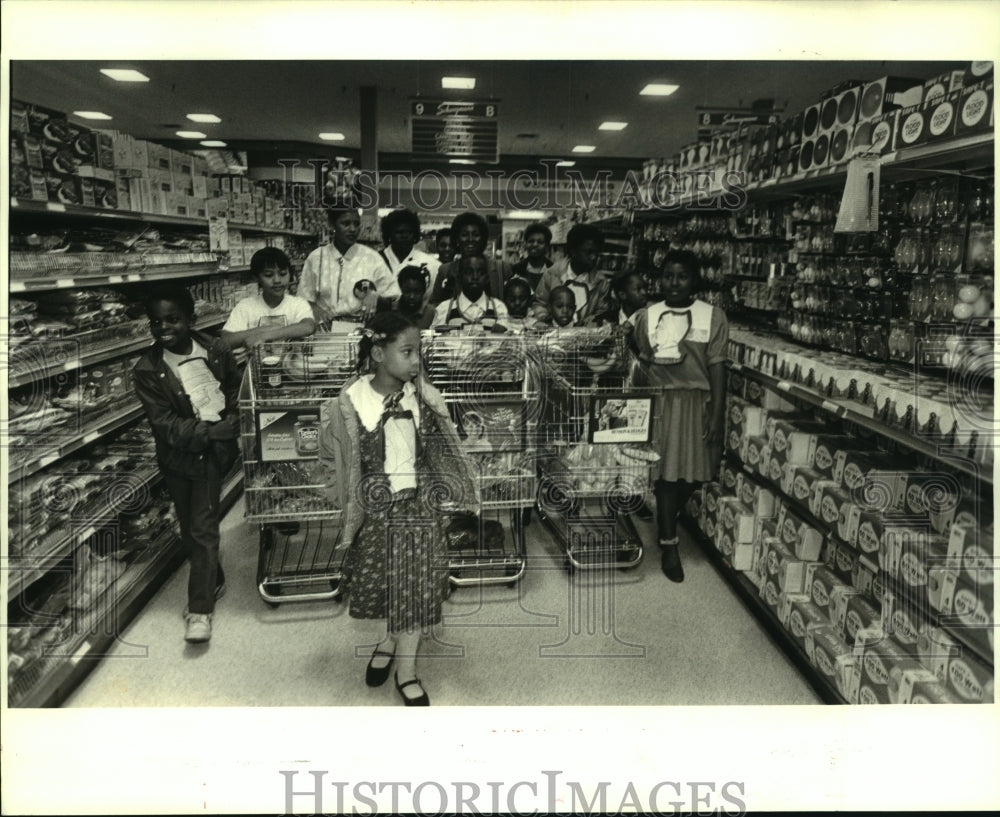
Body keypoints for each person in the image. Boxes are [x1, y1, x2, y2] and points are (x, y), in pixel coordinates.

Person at [318, 312, 479, 705]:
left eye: (418, 352)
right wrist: (345, 503)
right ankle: (388, 640)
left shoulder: (422, 395)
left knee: (413, 589)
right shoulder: (349, 402)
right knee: (388, 584)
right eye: (407, 352)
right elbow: (334, 460)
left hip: (418, 511)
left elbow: (440, 446)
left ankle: (406, 670)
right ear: (377, 353)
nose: (416, 361)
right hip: (375, 514)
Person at [131, 284, 240, 644]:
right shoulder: (147, 369)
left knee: (203, 528)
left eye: (174, 319)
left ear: (191, 319)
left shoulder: (216, 348)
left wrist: (234, 423)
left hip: (210, 459)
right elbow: (163, 424)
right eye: (156, 321)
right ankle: (215, 577)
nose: (164, 327)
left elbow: (235, 389)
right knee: (188, 524)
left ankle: (200, 608)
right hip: (176, 458)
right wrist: (212, 431)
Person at [628, 249, 729, 583]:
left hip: (697, 403)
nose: (674, 283)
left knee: (694, 475)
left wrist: (717, 413)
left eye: (682, 276)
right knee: (666, 476)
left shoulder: (713, 316)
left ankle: (668, 517)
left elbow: (716, 367)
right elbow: (641, 361)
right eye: (668, 276)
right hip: (660, 402)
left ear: (695, 281)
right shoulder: (648, 314)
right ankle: (669, 542)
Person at [299, 203, 400, 326]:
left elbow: (394, 297)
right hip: (324, 330)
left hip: (362, 329)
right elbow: (303, 298)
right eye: (345, 224)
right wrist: (315, 309)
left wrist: (376, 297)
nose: (352, 229)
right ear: (332, 225)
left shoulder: (371, 257)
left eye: (356, 224)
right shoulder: (316, 258)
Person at [220, 247, 316, 350]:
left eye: (283, 274)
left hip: (291, 365)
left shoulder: (298, 304)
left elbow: (308, 326)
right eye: (268, 275)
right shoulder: (246, 306)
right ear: (256, 278)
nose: (277, 280)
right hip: (257, 365)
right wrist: (262, 330)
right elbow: (226, 340)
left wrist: (265, 335)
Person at [532, 222, 611, 326]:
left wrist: (591, 322)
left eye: (597, 253)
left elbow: (601, 311)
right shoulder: (552, 274)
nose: (594, 257)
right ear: (573, 251)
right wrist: (546, 320)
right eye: (588, 252)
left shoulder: (601, 282)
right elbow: (539, 303)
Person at [428, 212, 510, 304]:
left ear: (483, 239)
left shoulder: (501, 268)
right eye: (464, 235)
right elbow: (434, 304)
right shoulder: (446, 271)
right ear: (457, 239)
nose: (470, 239)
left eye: (476, 235)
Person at [431, 254, 510, 328]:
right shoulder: (445, 309)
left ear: (487, 278)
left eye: (481, 273)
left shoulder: (498, 308)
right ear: (459, 277)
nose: (475, 277)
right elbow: (433, 339)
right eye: (469, 272)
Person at [378, 208, 440, 297]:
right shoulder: (375, 260)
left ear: (415, 234)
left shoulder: (432, 264)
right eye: (399, 232)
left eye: (409, 232)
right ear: (389, 234)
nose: (405, 236)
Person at [509, 222, 553, 292]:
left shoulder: (553, 269)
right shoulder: (516, 269)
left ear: (547, 246)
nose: (535, 245)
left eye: (540, 242)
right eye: (531, 241)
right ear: (525, 244)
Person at [391, 265, 436, 330]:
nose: (412, 296)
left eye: (417, 292)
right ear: (401, 289)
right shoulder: (391, 310)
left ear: (423, 291)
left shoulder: (431, 313)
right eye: (407, 291)